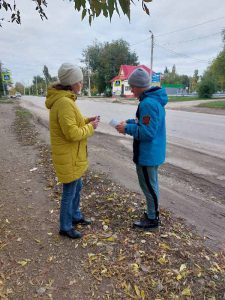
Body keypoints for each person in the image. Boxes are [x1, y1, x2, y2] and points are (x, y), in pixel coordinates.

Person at [45, 63, 99, 239]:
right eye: (80, 81)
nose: (82, 84)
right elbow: (72, 133)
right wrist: (90, 127)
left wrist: (86, 120)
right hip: (69, 156)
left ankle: (75, 216)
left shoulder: (65, 100)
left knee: (77, 186)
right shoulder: (64, 102)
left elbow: (72, 122)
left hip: (71, 155)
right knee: (69, 191)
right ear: (72, 83)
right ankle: (65, 226)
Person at [116, 68, 168, 230]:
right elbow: (144, 122)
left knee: (149, 187)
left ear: (140, 86)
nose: (131, 90)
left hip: (148, 155)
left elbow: (147, 132)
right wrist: (129, 122)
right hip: (150, 153)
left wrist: (127, 129)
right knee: (151, 185)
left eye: (132, 87)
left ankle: (152, 219)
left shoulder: (148, 103)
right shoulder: (151, 100)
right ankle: (152, 213)